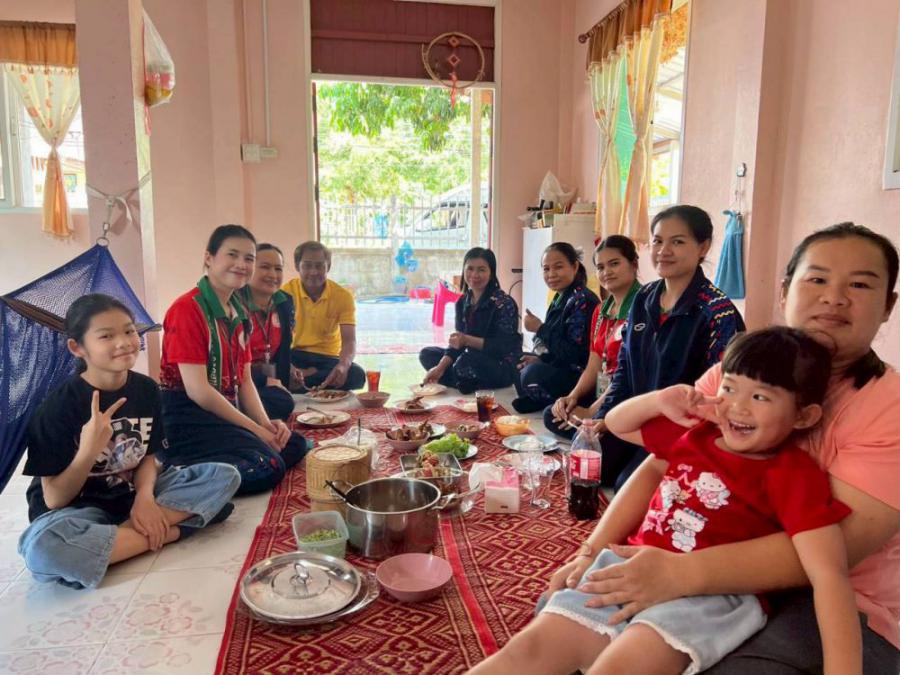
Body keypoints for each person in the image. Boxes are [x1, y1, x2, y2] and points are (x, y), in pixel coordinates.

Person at [546, 223, 900, 673]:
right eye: (817, 279)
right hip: (706, 559)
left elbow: (837, 556)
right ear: (785, 290)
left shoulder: (889, 407)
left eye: (860, 285)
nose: (834, 298)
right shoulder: (739, 377)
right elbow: (661, 466)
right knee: (561, 618)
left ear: (887, 306)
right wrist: (591, 549)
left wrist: (676, 574)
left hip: (830, 601)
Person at [470, 327, 860, 675]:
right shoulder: (699, 433)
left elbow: (829, 575)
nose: (736, 406)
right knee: (530, 648)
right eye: (729, 388)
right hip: (632, 567)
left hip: (708, 596)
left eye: (760, 396)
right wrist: (660, 400)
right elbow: (618, 424)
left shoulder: (793, 474)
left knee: (617, 668)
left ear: (804, 416)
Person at [18, 294, 241, 589]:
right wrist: (88, 451)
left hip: (130, 494)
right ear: (77, 347)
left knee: (225, 475)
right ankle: (167, 531)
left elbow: (149, 458)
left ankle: (116, 543)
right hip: (79, 510)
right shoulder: (57, 407)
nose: (124, 342)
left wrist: (144, 498)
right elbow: (55, 499)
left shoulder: (146, 389)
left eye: (129, 331)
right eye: (106, 336)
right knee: (43, 549)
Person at [580, 205, 744, 490]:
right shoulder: (644, 298)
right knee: (586, 459)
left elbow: (716, 399)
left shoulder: (717, 312)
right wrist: (603, 416)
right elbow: (624, 372)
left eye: (677, 242)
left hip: (680, 427)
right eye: (657, 241)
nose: (663, 251)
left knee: (626, 485)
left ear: (703, 247)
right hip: (636, 415)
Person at [159, 225, 309, 495]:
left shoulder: (237, 312)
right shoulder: (187, 309)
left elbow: (246, 380)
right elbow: (199, 391)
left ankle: (228, 462)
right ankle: (179, 470)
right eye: (232, 255)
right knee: (268, 466)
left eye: (248, 258)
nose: (241, 264)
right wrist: (256, 431)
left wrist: (266, 425)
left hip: (226, 406)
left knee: (294, 443)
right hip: (188, 417)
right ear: (209, 258)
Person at [544, 235, 641, 439]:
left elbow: (627, 376)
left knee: (591, 437)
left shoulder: (642, 308)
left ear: (633, 264)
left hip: (627, 396)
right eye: (600, 267)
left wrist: (591, 412)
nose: (606, 272)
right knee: (552, 414)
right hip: (601, 390)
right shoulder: (601, 310)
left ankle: (601, 433)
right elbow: (594, 362)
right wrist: (572, 396)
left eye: (614, 264)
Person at [419, 247, 522, 393]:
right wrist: (440, 368)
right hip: (471, 357)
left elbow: (503, 347)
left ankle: (462, 380)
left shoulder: (504, 303)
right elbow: (458, 343)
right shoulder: (462, 302)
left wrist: (467, 340)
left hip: (500, 364)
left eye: (481, 270)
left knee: (465, 362)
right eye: (470, 269)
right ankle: (461, 379)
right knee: (427, 354)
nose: (474, 275)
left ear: (491, 273)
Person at [513, 242, 600, 414]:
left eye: (558, 267)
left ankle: (555, 401)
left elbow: (575, 355)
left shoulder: (582, 300)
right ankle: (541, 398)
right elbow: (558, 347)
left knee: (531, 374)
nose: (551, 274)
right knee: (517, 361)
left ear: (574, 266)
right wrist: (542, 359)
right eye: (546, 269)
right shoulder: (561, 297)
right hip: (562, 365)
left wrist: (540, 328)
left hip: (579, 377)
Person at [282, 241, 366, 391]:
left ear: (328, 267)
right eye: (307, 265)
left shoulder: (342, 296)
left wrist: (343, 365)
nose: (314, 272)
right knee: (273, 370)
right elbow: (278, 340)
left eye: (320, 266)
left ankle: (302, 381)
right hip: (295, 355)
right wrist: (290, 367)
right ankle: (314, 381)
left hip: (328, 358)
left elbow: (349, 341)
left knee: (357, 375)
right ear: (297, 266)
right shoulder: (285, 293)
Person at [238, 243, 296, 421]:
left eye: (278, 268)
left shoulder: (284, 302)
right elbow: (229, 364)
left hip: (266, 380)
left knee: (283, 401)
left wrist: (286, 376)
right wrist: (265, 380)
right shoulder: (234, 303)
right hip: (237, 381)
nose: (273, 275)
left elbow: (283, 352)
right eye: (264, 267)